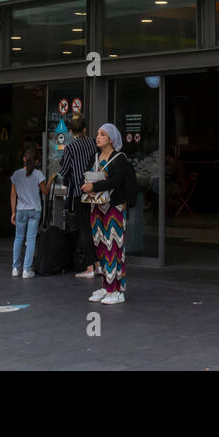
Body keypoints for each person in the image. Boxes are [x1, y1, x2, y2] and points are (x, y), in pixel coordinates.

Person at [81, 123, 136, 305]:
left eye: (102, 134)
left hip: (114, 208)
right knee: (101, 246)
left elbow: (116, 181)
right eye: (97, 133)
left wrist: (94, 186)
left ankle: (117, 290)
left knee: (114, 247)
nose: (98, 137)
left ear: (111, 139)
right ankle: (106, 286)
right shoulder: (95, 156)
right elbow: (89, 176)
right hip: (96, 207)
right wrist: (88, 186)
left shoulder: (119, 159)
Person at [60, 114, 99, 278]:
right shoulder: (92, 142)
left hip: (78, 192)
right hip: (95, 190)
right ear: (84, 129)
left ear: (70, 131)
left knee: (84, 229)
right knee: (96, 227)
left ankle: (90, 267)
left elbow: (64, 171)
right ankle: (99, 264)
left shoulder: (70, 148)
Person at [10, 146, 47, 278]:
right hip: (34, 210)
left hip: (20, 210)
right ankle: (26, 270)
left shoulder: (16, 174)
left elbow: (13, 195)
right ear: (37, 161)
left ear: (24, 159)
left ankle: (15, 268)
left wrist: (13, 212)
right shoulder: (38, 174)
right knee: (30, 239)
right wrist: (52, 179)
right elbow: (45, 192)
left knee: (18, 238)